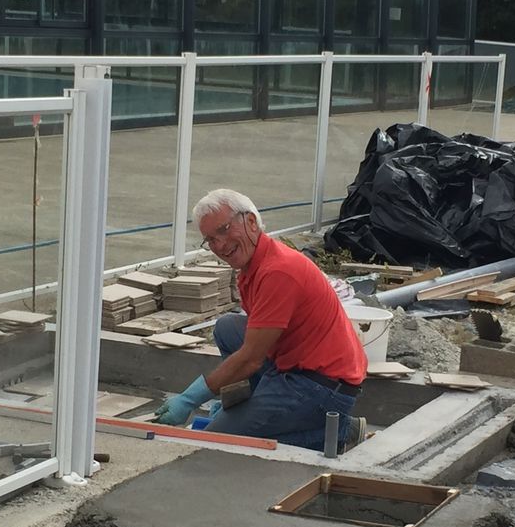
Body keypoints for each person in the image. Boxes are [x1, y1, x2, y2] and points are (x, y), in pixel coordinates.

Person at [154, 188, 368, 451]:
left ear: (251, 222)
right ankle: (255, 406)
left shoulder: (278, 272)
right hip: (297, 366)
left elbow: (251, 358)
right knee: (227, 328)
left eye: (223, 230)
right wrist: (237, 396)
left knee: (219, 442)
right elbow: (256, 343)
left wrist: (191, 398)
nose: (219, 245)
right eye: (210, 239)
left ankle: (339, 432)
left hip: (322, 387)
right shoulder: (254, 266)